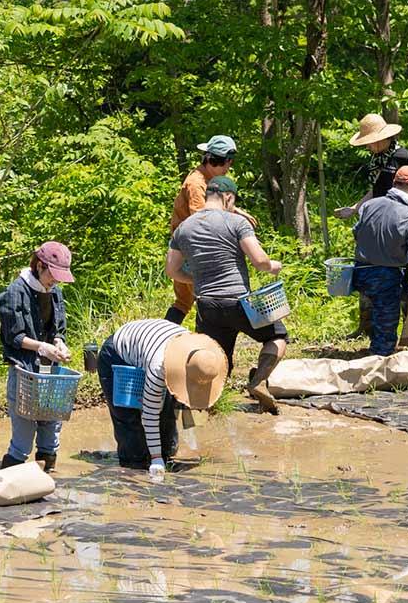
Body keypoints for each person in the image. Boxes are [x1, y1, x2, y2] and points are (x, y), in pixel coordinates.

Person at [166, 175, 287, 413]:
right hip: (237, 302)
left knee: (216, 359)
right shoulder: (236, 222)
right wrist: (274, 266)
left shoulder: (184, 228)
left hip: (207, 306)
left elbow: (172, 270)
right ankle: (258, 381)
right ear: (228, 197)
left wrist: (197, 279)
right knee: (278, 337)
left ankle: (203, 407)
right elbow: (260, 261)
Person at [95, 319, 227, 475]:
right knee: (128, 418)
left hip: (148, 344)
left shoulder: (202, 355)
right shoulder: (158, 367)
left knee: (167, 426)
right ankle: (135, 463)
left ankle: (166, 454)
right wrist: (156, 459)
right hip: (117, 353)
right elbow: (149, 415)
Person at [0, 242, 74, 472]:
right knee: (22, 437)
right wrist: (42, 347)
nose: (55, 281)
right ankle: (10, 484)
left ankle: (46, 477)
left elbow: (58, 330)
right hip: (24, 369)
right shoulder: (15, 293)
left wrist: (59, 344)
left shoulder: (55, 292)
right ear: (39, 266)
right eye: (53, 274)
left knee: (51, 430)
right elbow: (13, 337)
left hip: (49, 371)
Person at [350, 165, 408, 356]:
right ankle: (378, 368)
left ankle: (372, 352)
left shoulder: (368, 206)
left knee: (374, 317)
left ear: (394, 183)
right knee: (386, 323)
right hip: (386, 278)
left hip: (360, 273)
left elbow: (357, 232)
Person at [165, 134, 243, 323]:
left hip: (192, 245)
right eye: (226, 164)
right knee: (201, 296)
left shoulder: (209, 179)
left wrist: (238, 211)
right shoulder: (196, 184)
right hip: (190, 247)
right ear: (213, 161)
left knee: (186, 300)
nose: (228, 169)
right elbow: (203, 220)